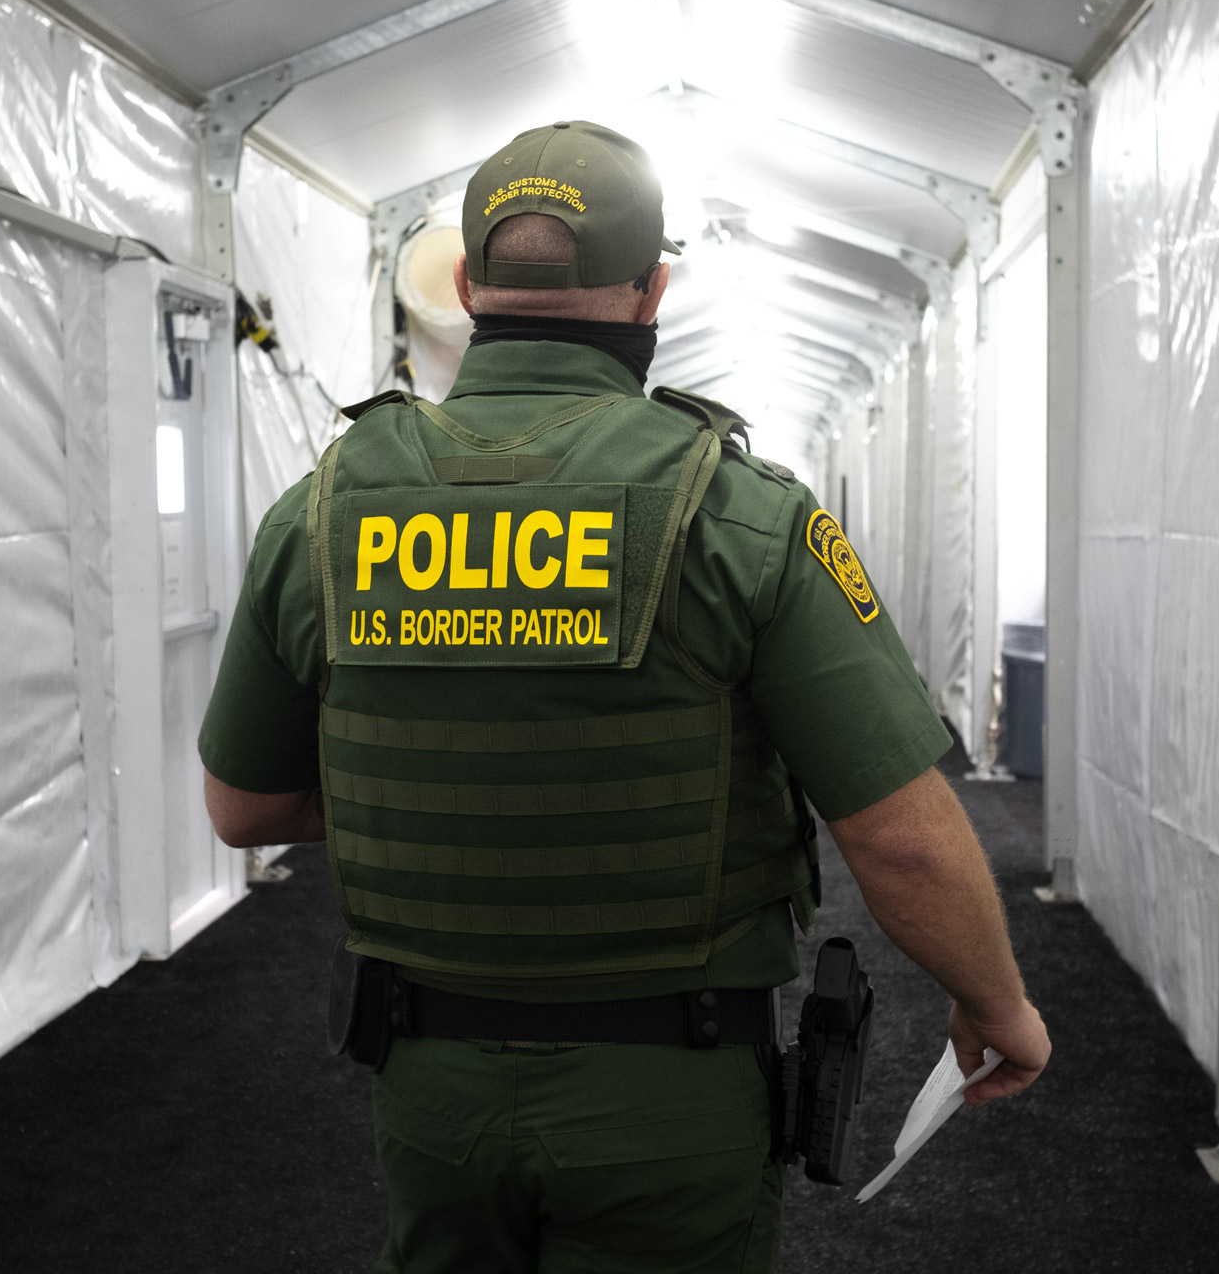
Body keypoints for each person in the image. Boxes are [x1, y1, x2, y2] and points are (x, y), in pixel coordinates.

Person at [199, 119, 1049, 1274]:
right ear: (653, 290)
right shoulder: (740, 514)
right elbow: (896, 835)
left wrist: (465, 785)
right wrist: (995, 1002)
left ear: (462, 281)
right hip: (672, 1092)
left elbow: (245, 807)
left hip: (430, 1084)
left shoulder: (323, 509)